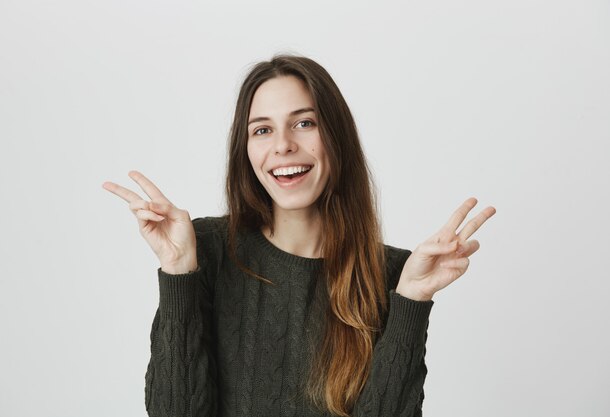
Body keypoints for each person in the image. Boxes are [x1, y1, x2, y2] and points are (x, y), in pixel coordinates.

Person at [102, 54, 496, 417]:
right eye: (262, 130)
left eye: (304, 123)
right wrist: (178, 274)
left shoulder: (395, 274)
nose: (283, 146)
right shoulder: (204, 248)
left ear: (336, 136)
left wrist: (411, 300)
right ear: (246, 150)